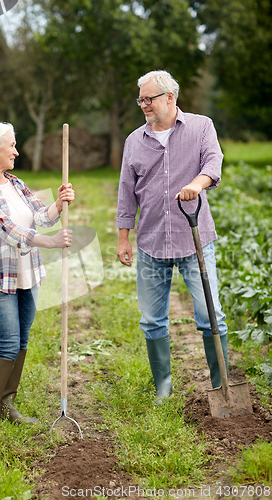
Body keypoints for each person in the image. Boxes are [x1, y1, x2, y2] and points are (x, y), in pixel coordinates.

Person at [116, 70, 228, 402]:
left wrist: (198, 183)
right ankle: (163, 388)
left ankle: (221, 384)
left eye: (149, 99)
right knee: (152, 320)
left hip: (193, 238)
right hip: (151, 241)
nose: (144, 105)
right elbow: (126, 193)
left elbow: (214, 160)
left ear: (170, 97)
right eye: (141, 99)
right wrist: (123, 237)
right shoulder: (134, 141)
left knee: (211, 314)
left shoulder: (201, 126)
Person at [0, 121, 74, 439]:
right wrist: (50, 242)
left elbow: (38, 216)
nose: (16, 150)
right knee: (8, 343)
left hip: (29, 274)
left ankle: (7, 405)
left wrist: (57, 204)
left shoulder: (16, 183)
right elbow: (8, 231)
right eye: (11, 145)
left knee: (22, 342)